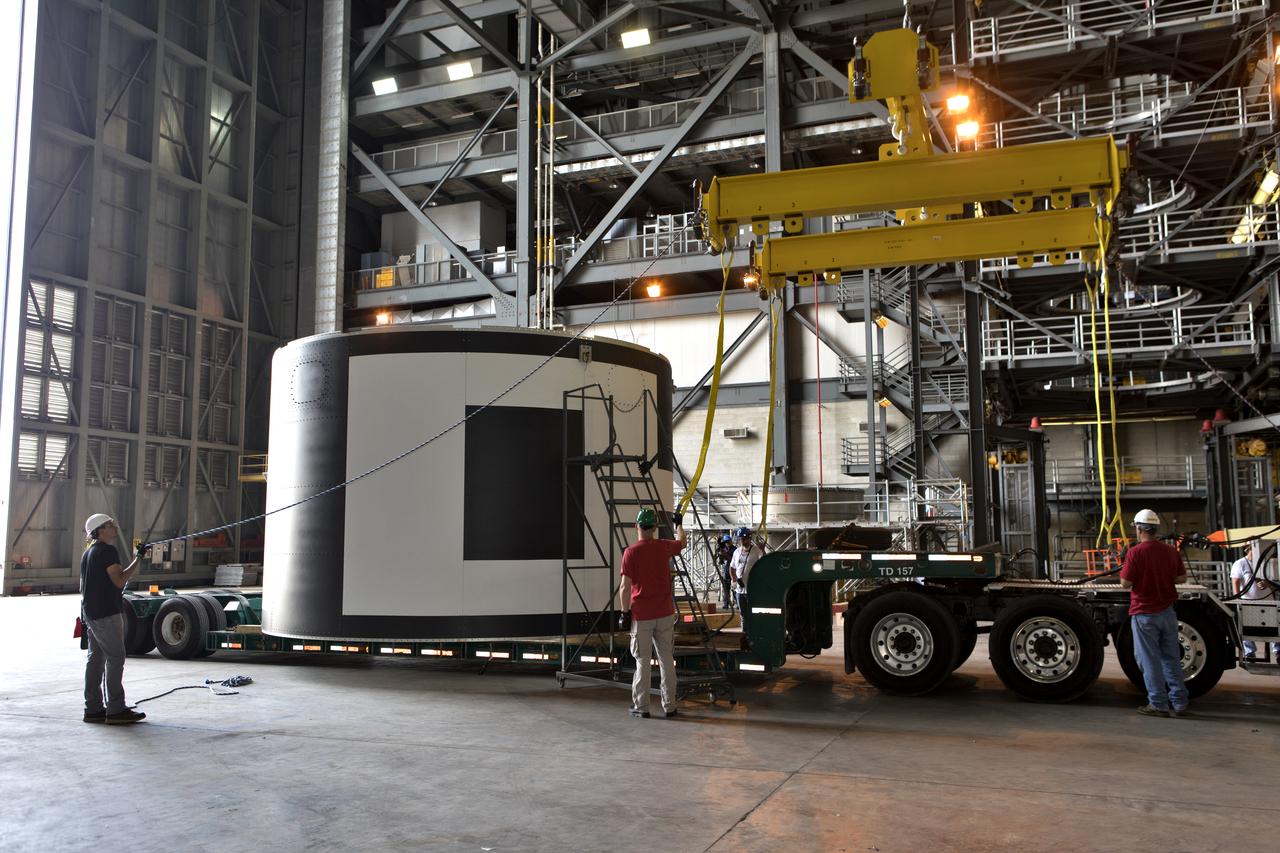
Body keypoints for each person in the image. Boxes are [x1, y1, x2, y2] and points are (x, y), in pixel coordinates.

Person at [1119, 509, 1189, 718]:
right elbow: (1181, 579)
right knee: (1172, 658)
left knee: (1149, 660)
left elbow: (1126, 583)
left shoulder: (1135, 553)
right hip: (1167, 613)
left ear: (1139, 529)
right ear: (1155, 528)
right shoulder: (1170, 551)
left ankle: (1158, 703)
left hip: (1144, 613)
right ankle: (1179, 702)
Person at [81, 513, 148, 725]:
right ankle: (116, 709)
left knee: (96, 660)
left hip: (91, 613)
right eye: (111, 525)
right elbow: (119, 581)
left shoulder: (88, 552)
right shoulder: (108, 551)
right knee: (116, 658)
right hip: (107, 614)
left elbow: (84, 586)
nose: (115, 528)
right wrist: (138, 558)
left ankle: (93, 709)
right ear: (101, 529)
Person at [619, 507, 686, 718]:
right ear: (655, 527)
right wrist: (679, 524)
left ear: (636, 526)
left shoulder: (631, 553)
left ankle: (642, 706)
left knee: (642, 661)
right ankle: (670, 706)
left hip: (643, 615)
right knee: (666, 659)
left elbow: (624, 587)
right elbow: (682, 542)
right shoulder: (664, 547)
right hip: (665, 613)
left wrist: (624, 612)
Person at [1231, 540, 1275, 662]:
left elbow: (1274, 581)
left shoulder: (1266, 563)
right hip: (1248, 602)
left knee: (1273, 627)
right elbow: (1235, 581)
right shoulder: (1240, 564)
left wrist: (1268, 583)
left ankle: (1278, 652)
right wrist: (1237, 599)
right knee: (1246, 628)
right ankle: (1250, 653)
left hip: (1267, 601)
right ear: (1249, 549)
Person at [730, 527, 762, 646]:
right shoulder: (736, 552)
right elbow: (732, 567)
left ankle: (755, 635)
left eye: (747, 538)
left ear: (750, 538)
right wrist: (734, 580)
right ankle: (745, 635)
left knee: (753, 613)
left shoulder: (756, 551)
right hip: (740, 589)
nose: (745, 541)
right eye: (742, 539)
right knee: (743, 613)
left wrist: (763, 550)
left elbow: (763, 564)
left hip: (753, 589)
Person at [716, 533, 736, 611]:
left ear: (731, 541)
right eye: (726, 542)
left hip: (733, 572)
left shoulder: (735, 549)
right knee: (725, 589)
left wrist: (725, 554)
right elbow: (720, 559)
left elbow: (733, 560)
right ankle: (726, 604)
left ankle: (737, 603)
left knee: (734, 589)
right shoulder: (723, 549)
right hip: (725, 572)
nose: (727, 544)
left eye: (728, 542)